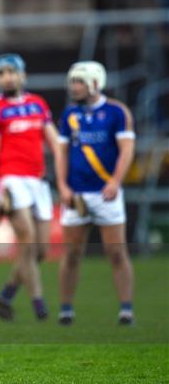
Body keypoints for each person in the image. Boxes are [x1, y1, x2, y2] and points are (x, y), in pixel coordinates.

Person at [0, 53, 62, 321]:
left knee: (40, 251)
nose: (7, 77)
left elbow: (56, 145)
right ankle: (40, 305)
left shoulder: (38, 104)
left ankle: (6, 297)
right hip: (10, 181)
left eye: (12, 71)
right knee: (27, 240)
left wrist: (64, 179)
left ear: (22, 75)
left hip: (37, 181)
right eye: (1, 73)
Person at [57, 61, 136, 326]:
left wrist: (115, 181)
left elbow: (126, 150)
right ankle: (66, 310)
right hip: (76, 194)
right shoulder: (69, 114)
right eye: (73, 81)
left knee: (116, 252)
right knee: (71, 254)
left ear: (94, 83)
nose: (74, 86)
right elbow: (62, 153)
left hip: (106, 194)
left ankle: (126, 309)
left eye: (79, 81)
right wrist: (63, 186)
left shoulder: (117, 112)